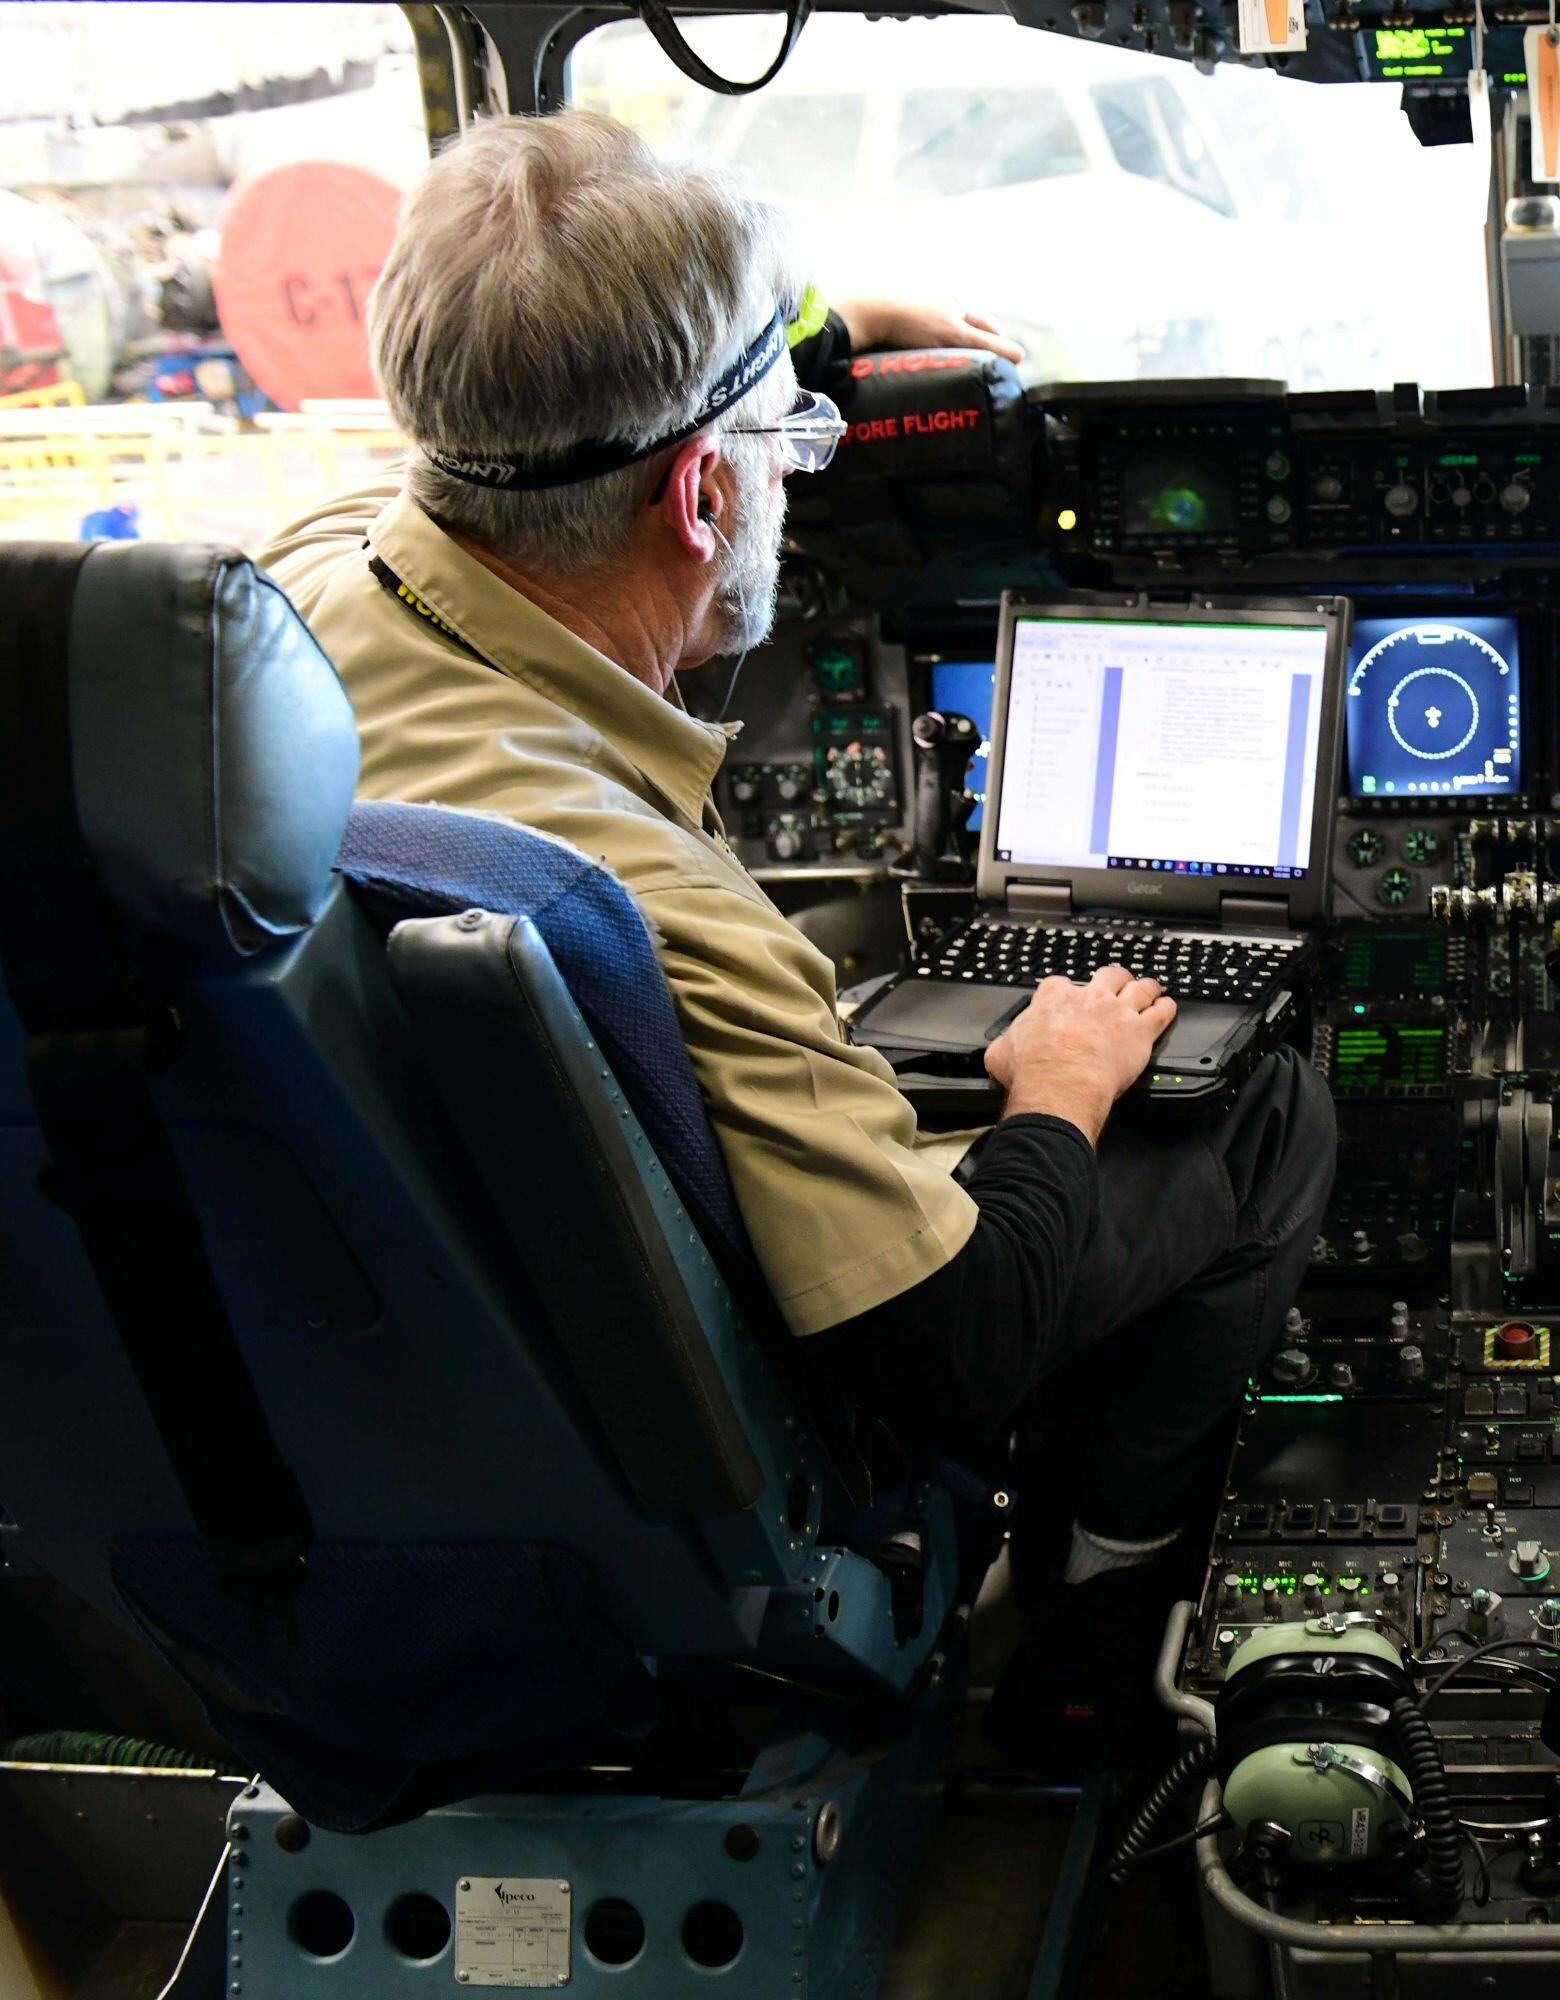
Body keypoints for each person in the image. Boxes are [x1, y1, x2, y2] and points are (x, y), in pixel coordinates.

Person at [259, 110, 1334, 1770]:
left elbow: (530, 373)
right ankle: (1087, 1650)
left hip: (366, 1428)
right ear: (702, 492)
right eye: (794, 439)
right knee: (1261, 1112)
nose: (799, 465)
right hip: (740, 1462)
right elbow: (951, 1344)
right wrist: (1056, 1087)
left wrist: (819, 333)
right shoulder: (640, 898)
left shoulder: (303, 588)